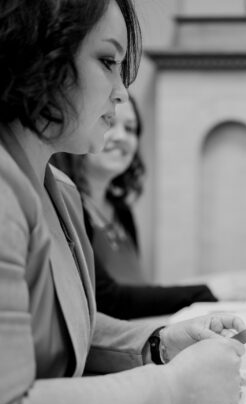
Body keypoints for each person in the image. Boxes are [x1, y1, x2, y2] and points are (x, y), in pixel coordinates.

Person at [0, 0, 245, 404]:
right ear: (41, 53)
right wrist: (175, 388)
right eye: (108, 61)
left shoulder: (60, 189)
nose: (122, 91)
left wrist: (158, 343)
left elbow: (68, 329)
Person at [52, 96, 218, 319]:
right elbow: (107, 301)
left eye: (130, 129)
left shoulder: (122, 212)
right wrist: (201, 292)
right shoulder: (65, 206)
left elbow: (137, 292)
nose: (122, 137)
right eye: (109, 122)